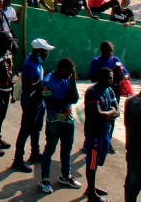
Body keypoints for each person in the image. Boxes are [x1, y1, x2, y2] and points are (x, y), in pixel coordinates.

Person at [40, 57, 82, 194]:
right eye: (69, 72)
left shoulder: (69, 79)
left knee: (66, 150)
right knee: (50, 149)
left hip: (68, 121)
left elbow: (75, 99)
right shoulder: (47, 82)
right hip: (54, 122)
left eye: (71, 73)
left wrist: (74, 82)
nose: (70, 75)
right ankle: (45, 179)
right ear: (61, 69)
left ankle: (66, 176)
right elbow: (51, 104)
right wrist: (66, 100)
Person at [12, 37, 53, 173]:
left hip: (39, 102)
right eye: (45, 51)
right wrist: (43, 83)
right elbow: (28, 85)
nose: (47, 54)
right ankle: (18, 159)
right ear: (39, 51)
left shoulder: (38, 62)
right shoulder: (29, 64)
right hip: (31, 102)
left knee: (36, 129)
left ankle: (35, 152)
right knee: (26, 130)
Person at [83, 66, 119, 202]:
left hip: (105, 133)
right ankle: (91, 194)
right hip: (94, 134)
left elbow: (118, 111)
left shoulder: (109, 91)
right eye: (108, 77)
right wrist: (111, 113)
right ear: (100, 78)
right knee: (92, 163)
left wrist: (107, 114)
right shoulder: (93, 92)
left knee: (97, 162)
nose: (110, 80)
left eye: (111, 78)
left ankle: (91, 187)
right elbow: (97, 115)